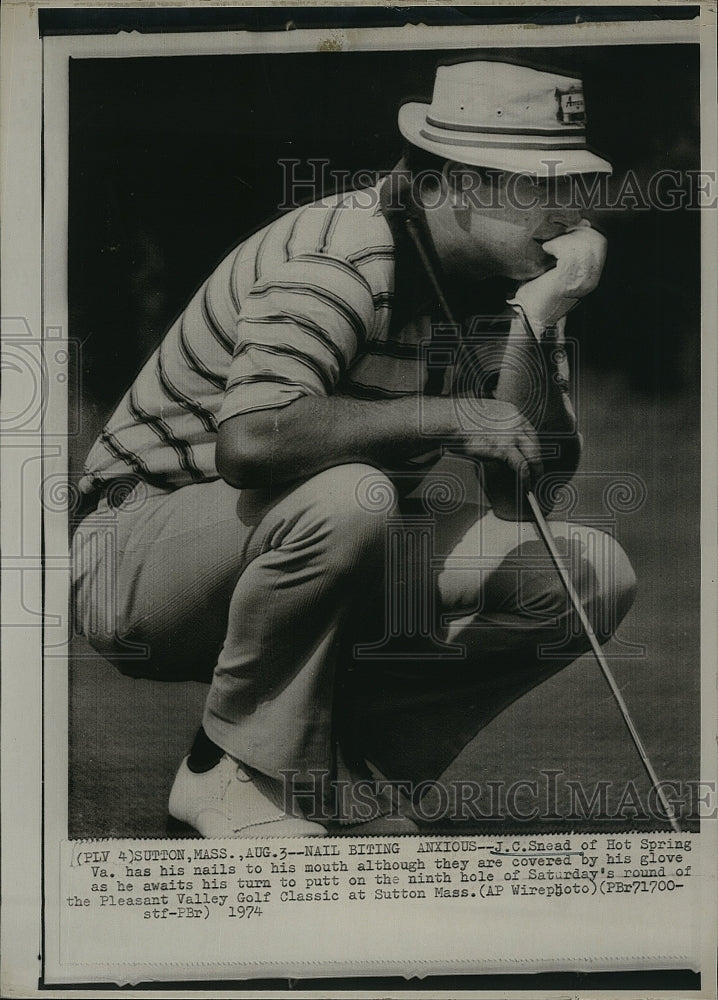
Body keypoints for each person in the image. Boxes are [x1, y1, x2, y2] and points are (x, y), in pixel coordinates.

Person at [72, 59, 637, 837]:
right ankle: (225, 768)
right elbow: (250, 443)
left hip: (325, 543)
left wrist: (535, 325)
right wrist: (442, 417)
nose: (566, 211)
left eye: (572, 186)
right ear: (454, 181)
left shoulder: (517, 284)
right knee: (357, 495)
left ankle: (335, 771)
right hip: (136, 558)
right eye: (538, 184)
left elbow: (520, 493)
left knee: (588, 575)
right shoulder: (339, 255)